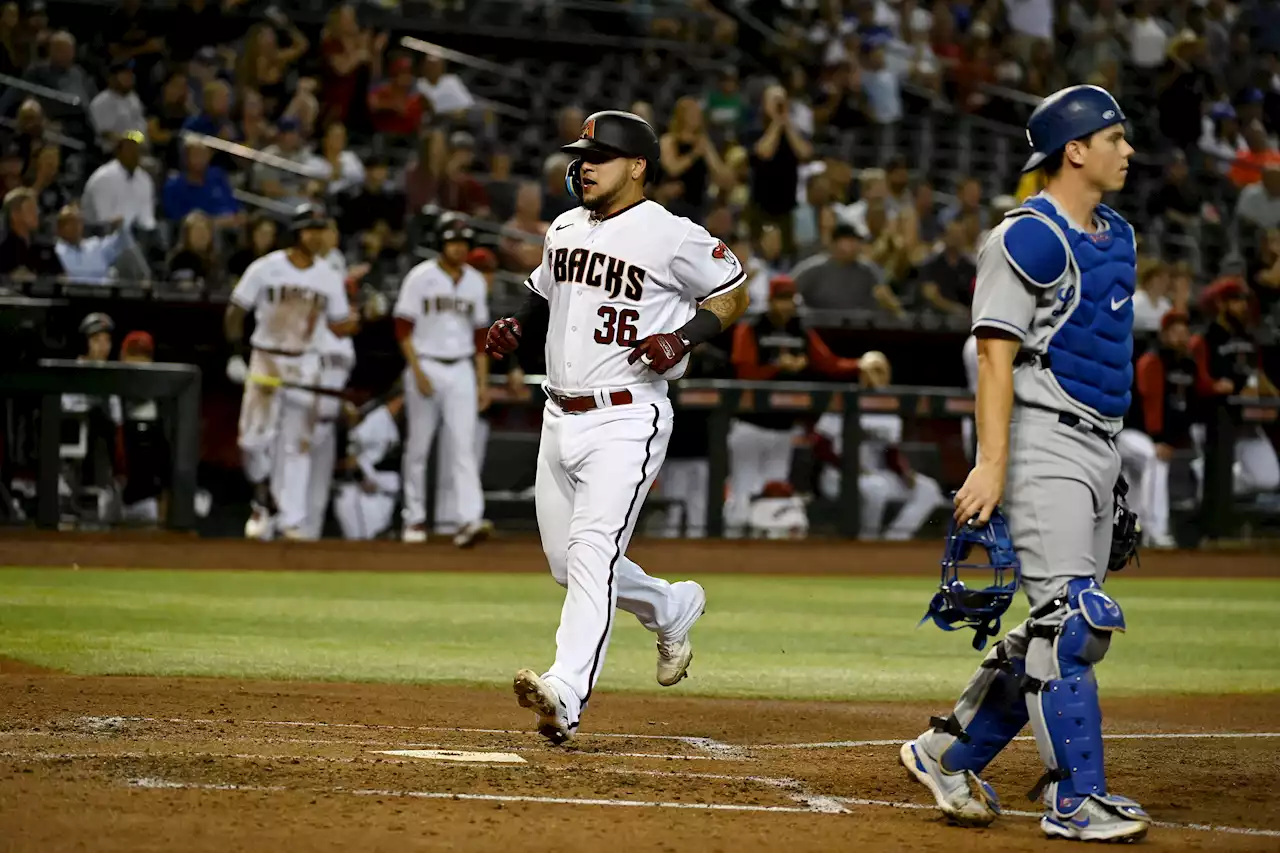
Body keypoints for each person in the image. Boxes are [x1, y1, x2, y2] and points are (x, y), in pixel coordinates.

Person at [900, 85, 1151, 842]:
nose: (1128, 149)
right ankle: (1076, 799)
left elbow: (1097, 353)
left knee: (1050, 626)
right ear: (1076, 149)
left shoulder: (1118, 235)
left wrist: (1109, 462)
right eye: (1115, 137)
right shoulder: (1026, 237)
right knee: (1074, 621)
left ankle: (945, 752)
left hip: (1098, 441)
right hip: (1042, 440)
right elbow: (994, 359)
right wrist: (992, 463)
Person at [484, 110, 748, 744]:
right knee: (564, 563)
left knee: (592, 553)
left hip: (629, 414)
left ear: (638, 167)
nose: (585, 165)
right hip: (559, 411)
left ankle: (565, 692)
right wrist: (519, 325)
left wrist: (683, 336)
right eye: (581, 154)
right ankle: (670, 606)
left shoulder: (670, 233)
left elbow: (733, 292)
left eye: (600, 156)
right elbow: (544, 293)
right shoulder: (565, 226)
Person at [223, 206, 359, 540]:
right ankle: (261, 499)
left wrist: (362, 317)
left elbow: (339, 326)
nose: (316, 235)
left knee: (297, 445)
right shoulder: (266, 268)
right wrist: (235, 355)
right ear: (296, 232)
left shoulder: (328, 275)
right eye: (309, 229)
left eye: (320, 229)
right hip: (266, 358)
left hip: (305, 361)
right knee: (252, 441)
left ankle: (290, 520)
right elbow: (235, 311)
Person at [393, 219, 492, 548]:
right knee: (419, 446)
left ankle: (469, 519)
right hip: (426, 363)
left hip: (461, 366)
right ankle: (414, 517)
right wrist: (417, 371)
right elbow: (402, 328)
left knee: (463, 446)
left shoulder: (475, 281)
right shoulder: (421, 277)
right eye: (453, 241)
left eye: (464, 241)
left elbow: (480, 337)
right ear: (440, 243)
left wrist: (482, 382)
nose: (459, 247)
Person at [813, 351, 946, 539]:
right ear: (861, 373)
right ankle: (867, 538)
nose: (876, 375)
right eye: (871, 369)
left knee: (929, 489)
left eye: (881, 370)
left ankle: (896, 537)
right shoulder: (843, 402)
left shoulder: (890, 410)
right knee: (876, 488)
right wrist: (850, 467)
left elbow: (890, 454)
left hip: (876, 474)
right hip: (839, 476)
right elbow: (820, 446)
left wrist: (906, 473)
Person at [1120, 310, 1201, 547]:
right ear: (1164, 334)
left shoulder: (1187, 365)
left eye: (1184, 332)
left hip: (1153, 436)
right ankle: (1156, 529)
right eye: (1175, 332)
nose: (1180, 337)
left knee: (1139, 475)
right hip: (1130, 432)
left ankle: (1130, 533)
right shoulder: (1152, 361)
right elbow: (1150, 403)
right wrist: (1158, 439)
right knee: (1155, 460)